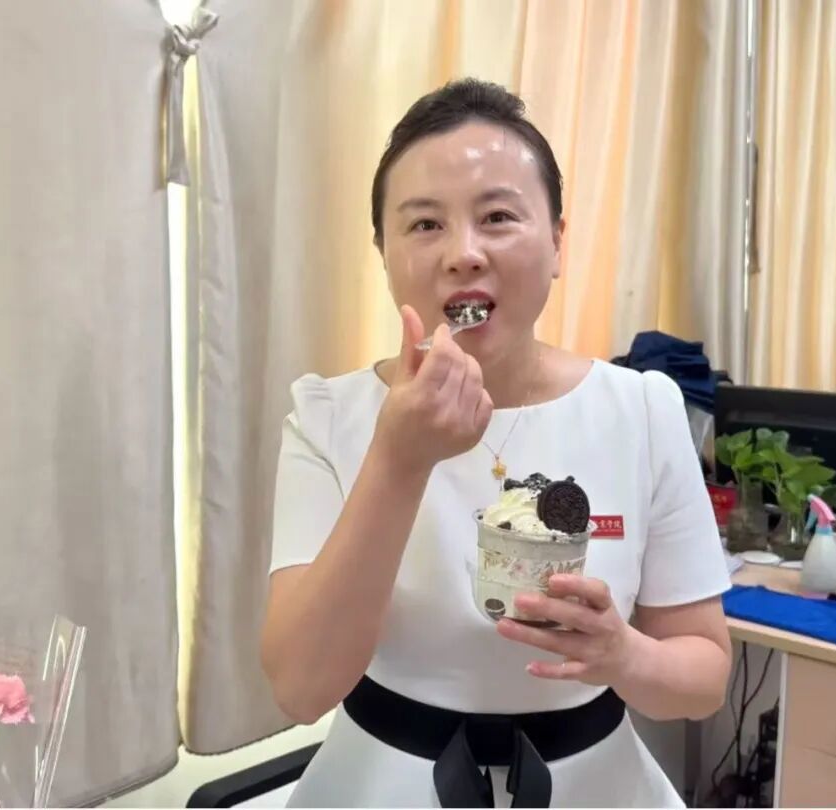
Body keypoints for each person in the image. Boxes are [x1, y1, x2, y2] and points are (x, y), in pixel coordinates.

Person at [260, 78, 732, 808]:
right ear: (383, 251)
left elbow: (703, 677)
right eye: (425, 224)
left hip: (599, 784)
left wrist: (622, 653)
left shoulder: (641, 408)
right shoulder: (326, 417)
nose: (464, 253)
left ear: (557, 242)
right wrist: (399, 459)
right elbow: (299, 687)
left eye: (498, 217)